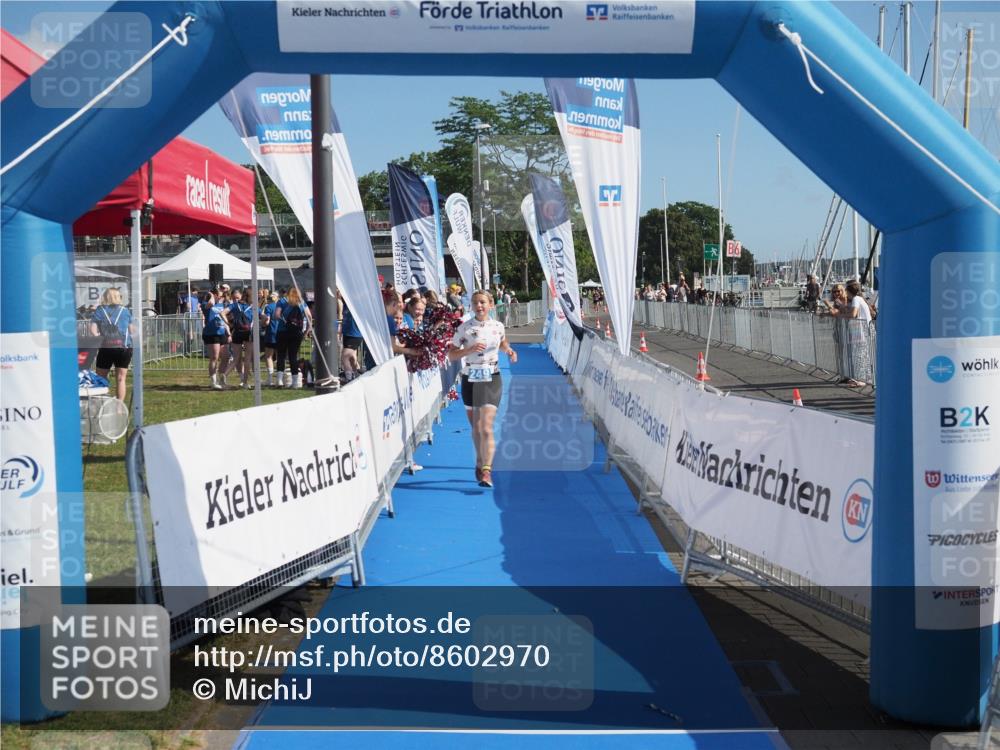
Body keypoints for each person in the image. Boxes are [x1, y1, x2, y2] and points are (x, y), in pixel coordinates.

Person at [448, 290, 517, 488]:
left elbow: (502, 342)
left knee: (486, 427)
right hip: (470, 378)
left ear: (491, 305)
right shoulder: (464, 328)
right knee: (476, 428)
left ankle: (487, 470)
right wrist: (468, 350)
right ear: (471, 305)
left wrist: (509, 351)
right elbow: (451, 355)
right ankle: (480, 460)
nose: (479, 306)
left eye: (483, 303)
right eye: (476, 303)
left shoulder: (498, 326)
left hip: (491, 377)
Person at [90, 288, 134, 401]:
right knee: (121, 378)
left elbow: (93, 330)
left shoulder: (100, 310)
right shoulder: (125, 311)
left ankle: (102, 402)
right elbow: (132, 330)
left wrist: (98, 339)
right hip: (124, 348)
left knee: (101, 377)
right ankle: (120, 406)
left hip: (106, 347)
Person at [275, 286, 311, 389]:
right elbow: (309, 317)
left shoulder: (282, 301)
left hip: (282, 332)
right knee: (293, 356)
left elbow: (276, 315)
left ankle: (280, 380)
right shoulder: (301, 302)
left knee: (281, 356)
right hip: (296, 333)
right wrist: (306, 331)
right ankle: (295, 382)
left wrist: (284, 320)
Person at [200, 291, 231, 390]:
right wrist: (212, 296)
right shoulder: (205, 304)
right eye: (220, 295)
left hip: (222, 332)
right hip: (211, 333)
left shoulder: (222, 305)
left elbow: (223, 318)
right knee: (214, 357)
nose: (221, 297)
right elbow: (211, 304)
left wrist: (228, 332)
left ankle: (222, 378)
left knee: (226, 357)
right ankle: (213, 381)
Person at [228, 288, 255, 389]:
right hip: (248, 333)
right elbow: (265, 318)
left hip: (237, 332)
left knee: (236, 359)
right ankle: (245, 382)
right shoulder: (252, 307)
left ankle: (224, 375)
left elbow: (222, 313)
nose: (235, 299)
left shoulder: (235, 305)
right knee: (247, 358)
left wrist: (229, 324)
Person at [260, 291, 281, 386]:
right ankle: (280, 379)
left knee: (268, 356)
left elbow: (267, 321)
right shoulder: (283, 306)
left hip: (271, 333)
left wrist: (262, 324)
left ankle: (270, 379)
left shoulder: (268, 307)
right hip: (281, 333)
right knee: (280, 356)